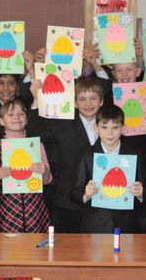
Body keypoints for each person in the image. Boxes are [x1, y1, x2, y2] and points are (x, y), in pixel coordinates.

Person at [27, 75, 105, 233]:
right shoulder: (64, 123)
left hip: (102, 197)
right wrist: (36, 100)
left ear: (101, 101)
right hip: (68, 198)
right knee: (69, 244)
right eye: (82, 99)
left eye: (93, 98)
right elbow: (35, 133)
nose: (88, 103)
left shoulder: (109, 123)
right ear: (75, 103)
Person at [70, 105, 146, 233]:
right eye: (104, 127)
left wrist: (141, 193)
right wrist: (86, 194)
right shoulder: (87, 155)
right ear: (96, 128)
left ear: (123, 129)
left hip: (126, 224)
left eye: (115, 127)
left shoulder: (134, 154)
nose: (110, 133)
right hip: (96, 224)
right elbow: (74, 192)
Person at [0, 99, 52, 233]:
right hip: (8, 206)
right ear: (1, 121)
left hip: (35, 206)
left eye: (21, 114)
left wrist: (44, 170)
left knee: (36, 242)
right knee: (10, 243)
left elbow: (47, 179)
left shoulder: (37, 144)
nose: (16, 117)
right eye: (10, 114)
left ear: (27, 118)